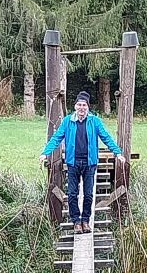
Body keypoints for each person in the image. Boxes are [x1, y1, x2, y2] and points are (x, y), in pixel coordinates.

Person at [40, 90, 126, 234]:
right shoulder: (68, 121)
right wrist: (45, 153)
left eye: (84, 105)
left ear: (88, 107)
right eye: (79, 105)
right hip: (73, 163)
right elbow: (56, 138)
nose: (81, 108)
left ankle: (85, 220)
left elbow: (106, 137)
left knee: (88, 194)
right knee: (72, 194)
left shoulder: (95, 121)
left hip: (89, 163)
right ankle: (76, 221)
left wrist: (117, 153)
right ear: (75, 107)